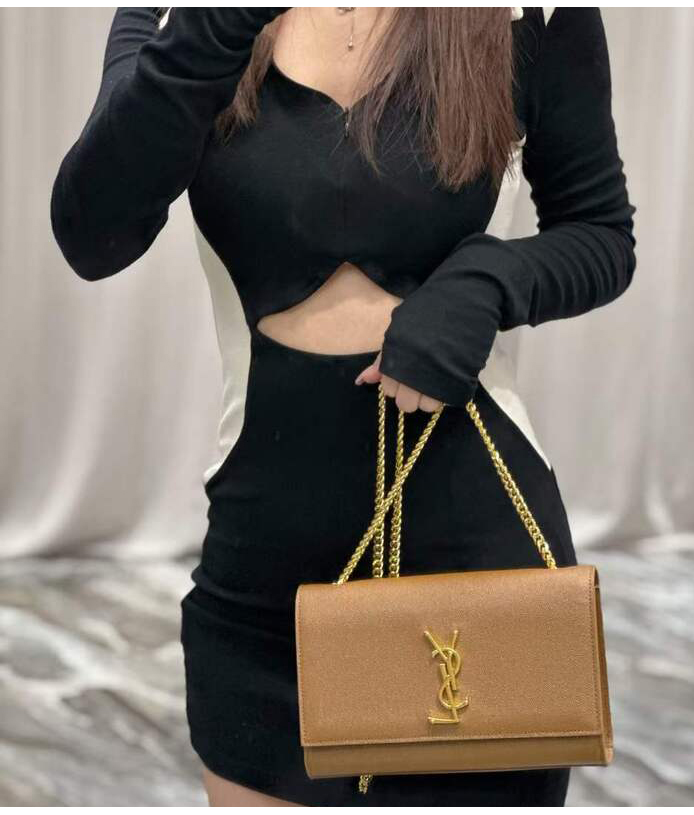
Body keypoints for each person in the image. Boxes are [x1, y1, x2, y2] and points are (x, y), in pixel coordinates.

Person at [50, 6, 636, 807]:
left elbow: (600, 232)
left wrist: (487, 282)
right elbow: (93, 233)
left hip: (474, 580)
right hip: (264, 582)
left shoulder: (521, 14)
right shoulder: (176, 17)